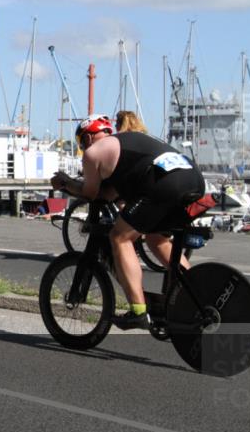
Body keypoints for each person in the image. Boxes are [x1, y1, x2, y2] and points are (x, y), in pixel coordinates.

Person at [51, 114, 205, 330]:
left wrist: (66, 183)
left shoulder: (94, 153)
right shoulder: (127, 141)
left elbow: (90, 192)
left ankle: (138, 312)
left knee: (119, 237)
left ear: (87, 138)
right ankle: (194, 294)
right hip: (193, 180)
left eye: (82, 142)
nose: (83, 148)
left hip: (165, 186)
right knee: (156, 239)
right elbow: (111, 194)